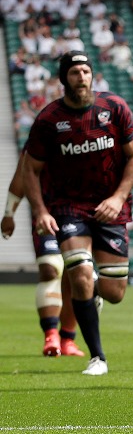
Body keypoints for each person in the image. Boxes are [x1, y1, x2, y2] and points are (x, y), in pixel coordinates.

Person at [22, 50, 133, 376]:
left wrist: (119, 197)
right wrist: (40, 210)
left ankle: (89, 298)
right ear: (64, 78)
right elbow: (30, 170)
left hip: (110, 207)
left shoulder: (114, 108)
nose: (82, 77)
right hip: (68, 207)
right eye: (75, 72)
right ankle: (97, 357)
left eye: (86, 71)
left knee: (115, 293)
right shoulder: (48, 120)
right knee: (78, 273)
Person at [3, 151, 85, 357]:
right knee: (50, 269)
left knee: (76, 274)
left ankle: (68, 338)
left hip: (81, 215)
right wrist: (9, 214)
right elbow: (22, 174)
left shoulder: (88, 133)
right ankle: (51, 336)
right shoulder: (43, 133)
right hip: (47, 214)